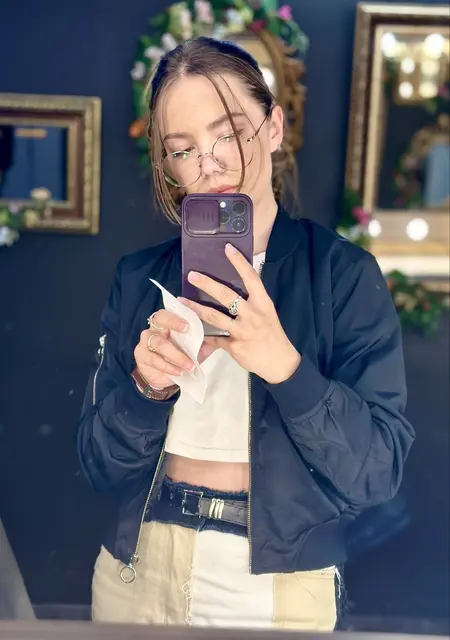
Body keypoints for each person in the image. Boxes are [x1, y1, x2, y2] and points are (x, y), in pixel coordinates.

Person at [77, 37, 415, 630]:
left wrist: (286, 367)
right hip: (138, 570)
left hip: (277, 586)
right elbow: (97, 466)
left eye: (229, 133)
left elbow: (376, 471)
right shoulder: (138, 278)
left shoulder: (342, 275)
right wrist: (146, 389)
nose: (208, 164)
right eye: (182, 149)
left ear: (274, 127)